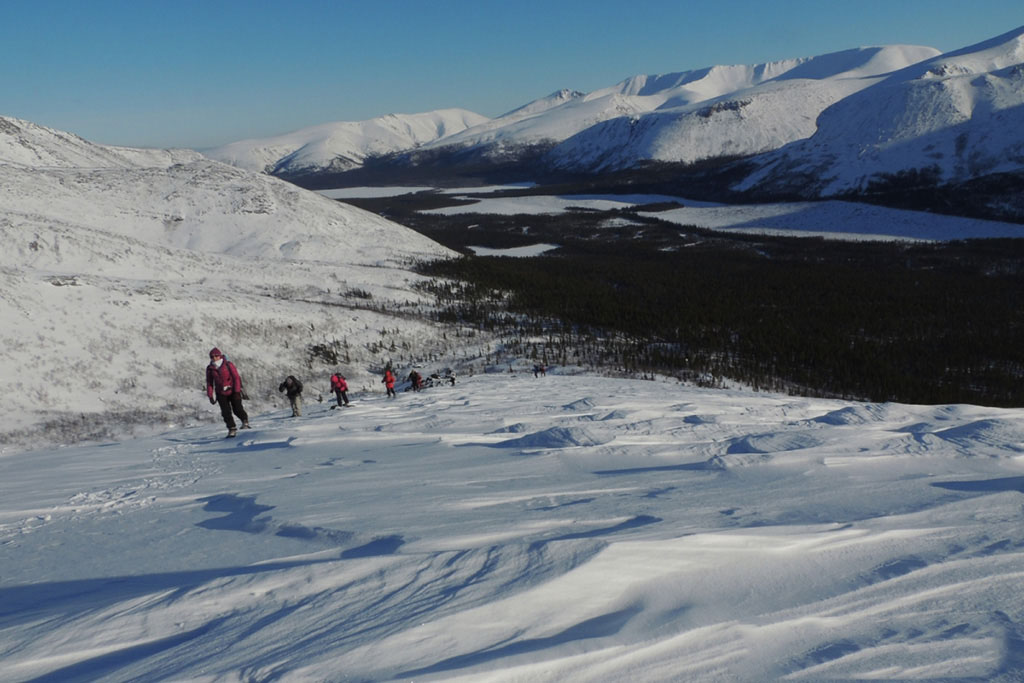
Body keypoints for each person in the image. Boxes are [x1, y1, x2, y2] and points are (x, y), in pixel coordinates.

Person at [206, 347, 250, 437]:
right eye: (212, 356)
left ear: (220, 355)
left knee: (237, 409)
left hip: (233, 390)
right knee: (226, 412)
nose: (214, 358)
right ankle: (231, 428)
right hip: (220, 392)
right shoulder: (210, 368)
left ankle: (244, 421)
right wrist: (210, 395)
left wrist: (237, 391)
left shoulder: (228, 364)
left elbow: (236, 377)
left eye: (216, 355)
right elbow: (209, 382)